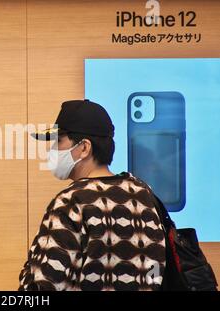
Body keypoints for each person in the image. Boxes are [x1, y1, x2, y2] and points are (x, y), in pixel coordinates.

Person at [19, 99, 166, 291]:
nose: (52, 150)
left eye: (58, 141)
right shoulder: (142, 193)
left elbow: (45, 284)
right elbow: (155, 269)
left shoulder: (71, 202)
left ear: (84, 147)